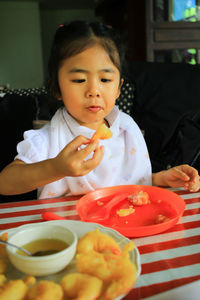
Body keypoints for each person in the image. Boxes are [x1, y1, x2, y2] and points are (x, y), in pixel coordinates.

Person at [0, 20, 199, 199]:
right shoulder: (50, 138)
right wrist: (55, 167)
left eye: (105, 80)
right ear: (56, 88)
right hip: (68, 234)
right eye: (79, 80)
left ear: (119, 88)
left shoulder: (127, 129)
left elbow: (130, 183)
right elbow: (5, 183)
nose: (94, 91)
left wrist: (162, 178)